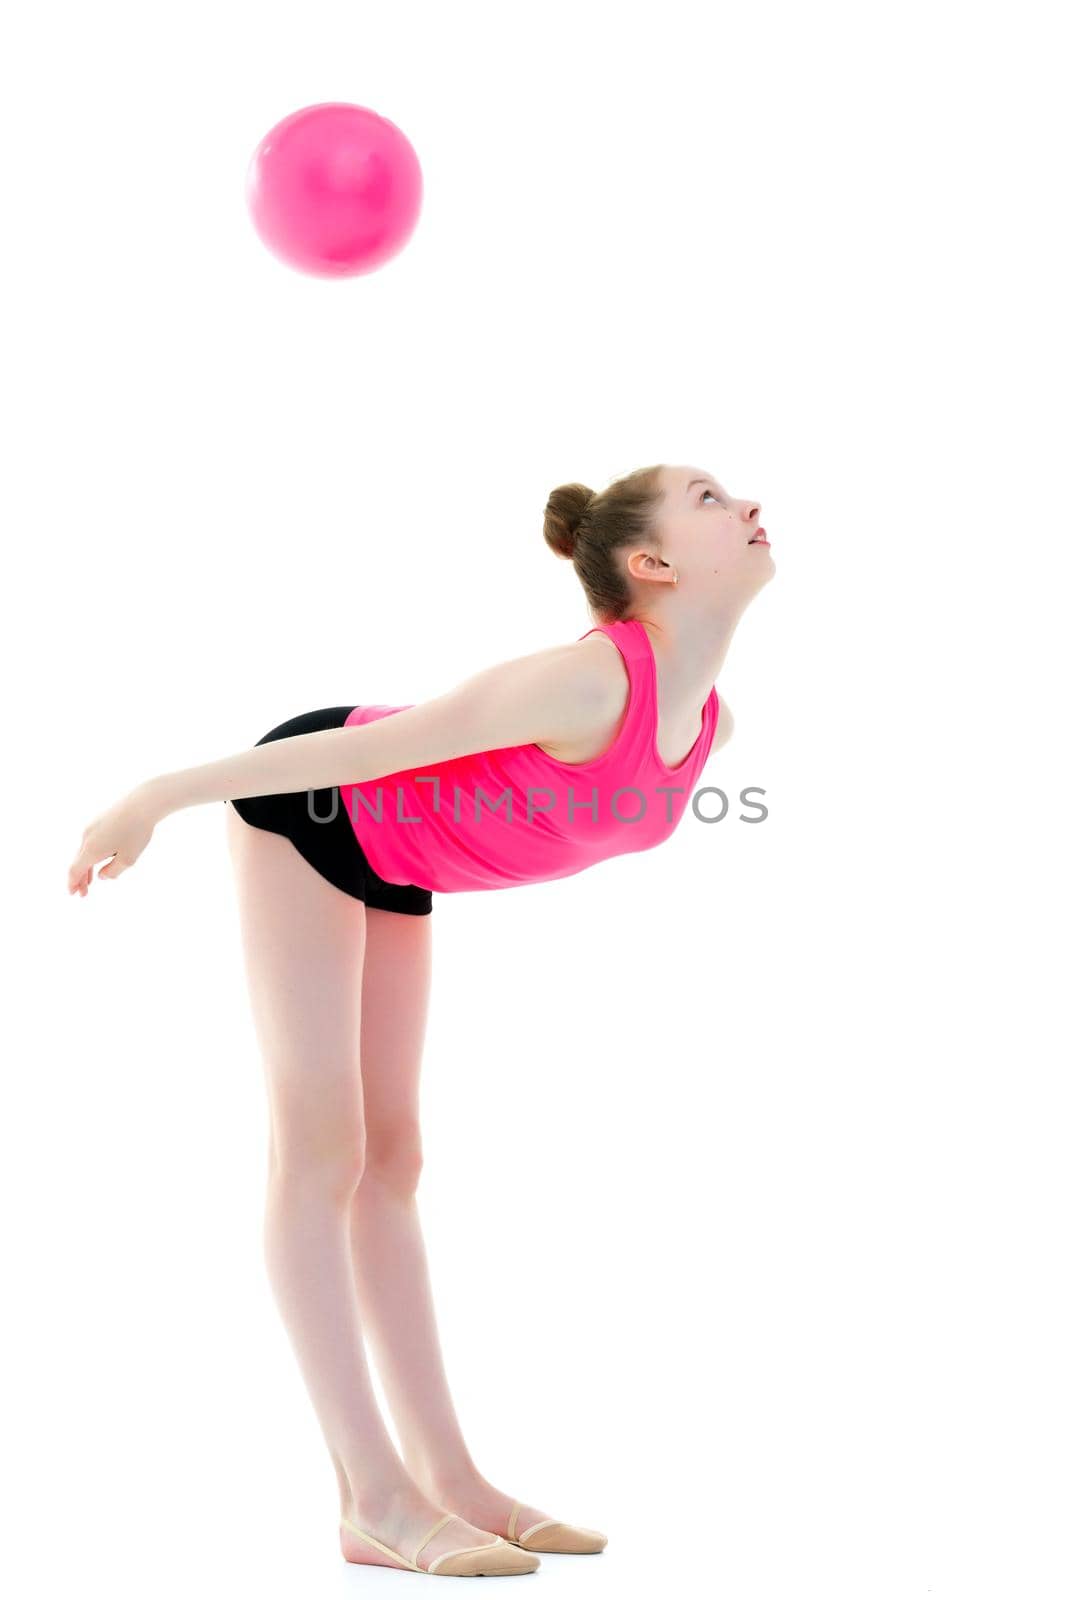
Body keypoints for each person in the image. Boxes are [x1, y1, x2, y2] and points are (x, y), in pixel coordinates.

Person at [66, 462, 774, 1577]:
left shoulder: (708, 726)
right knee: (323, 1151)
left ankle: (453, 1481)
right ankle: (370, 1495)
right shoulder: (582, 686)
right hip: (309, 813)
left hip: (397, 855)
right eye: (708, 498)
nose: (743, 504)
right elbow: (367, 752)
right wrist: (154, 797)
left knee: (392, 1157)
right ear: (651, 565)